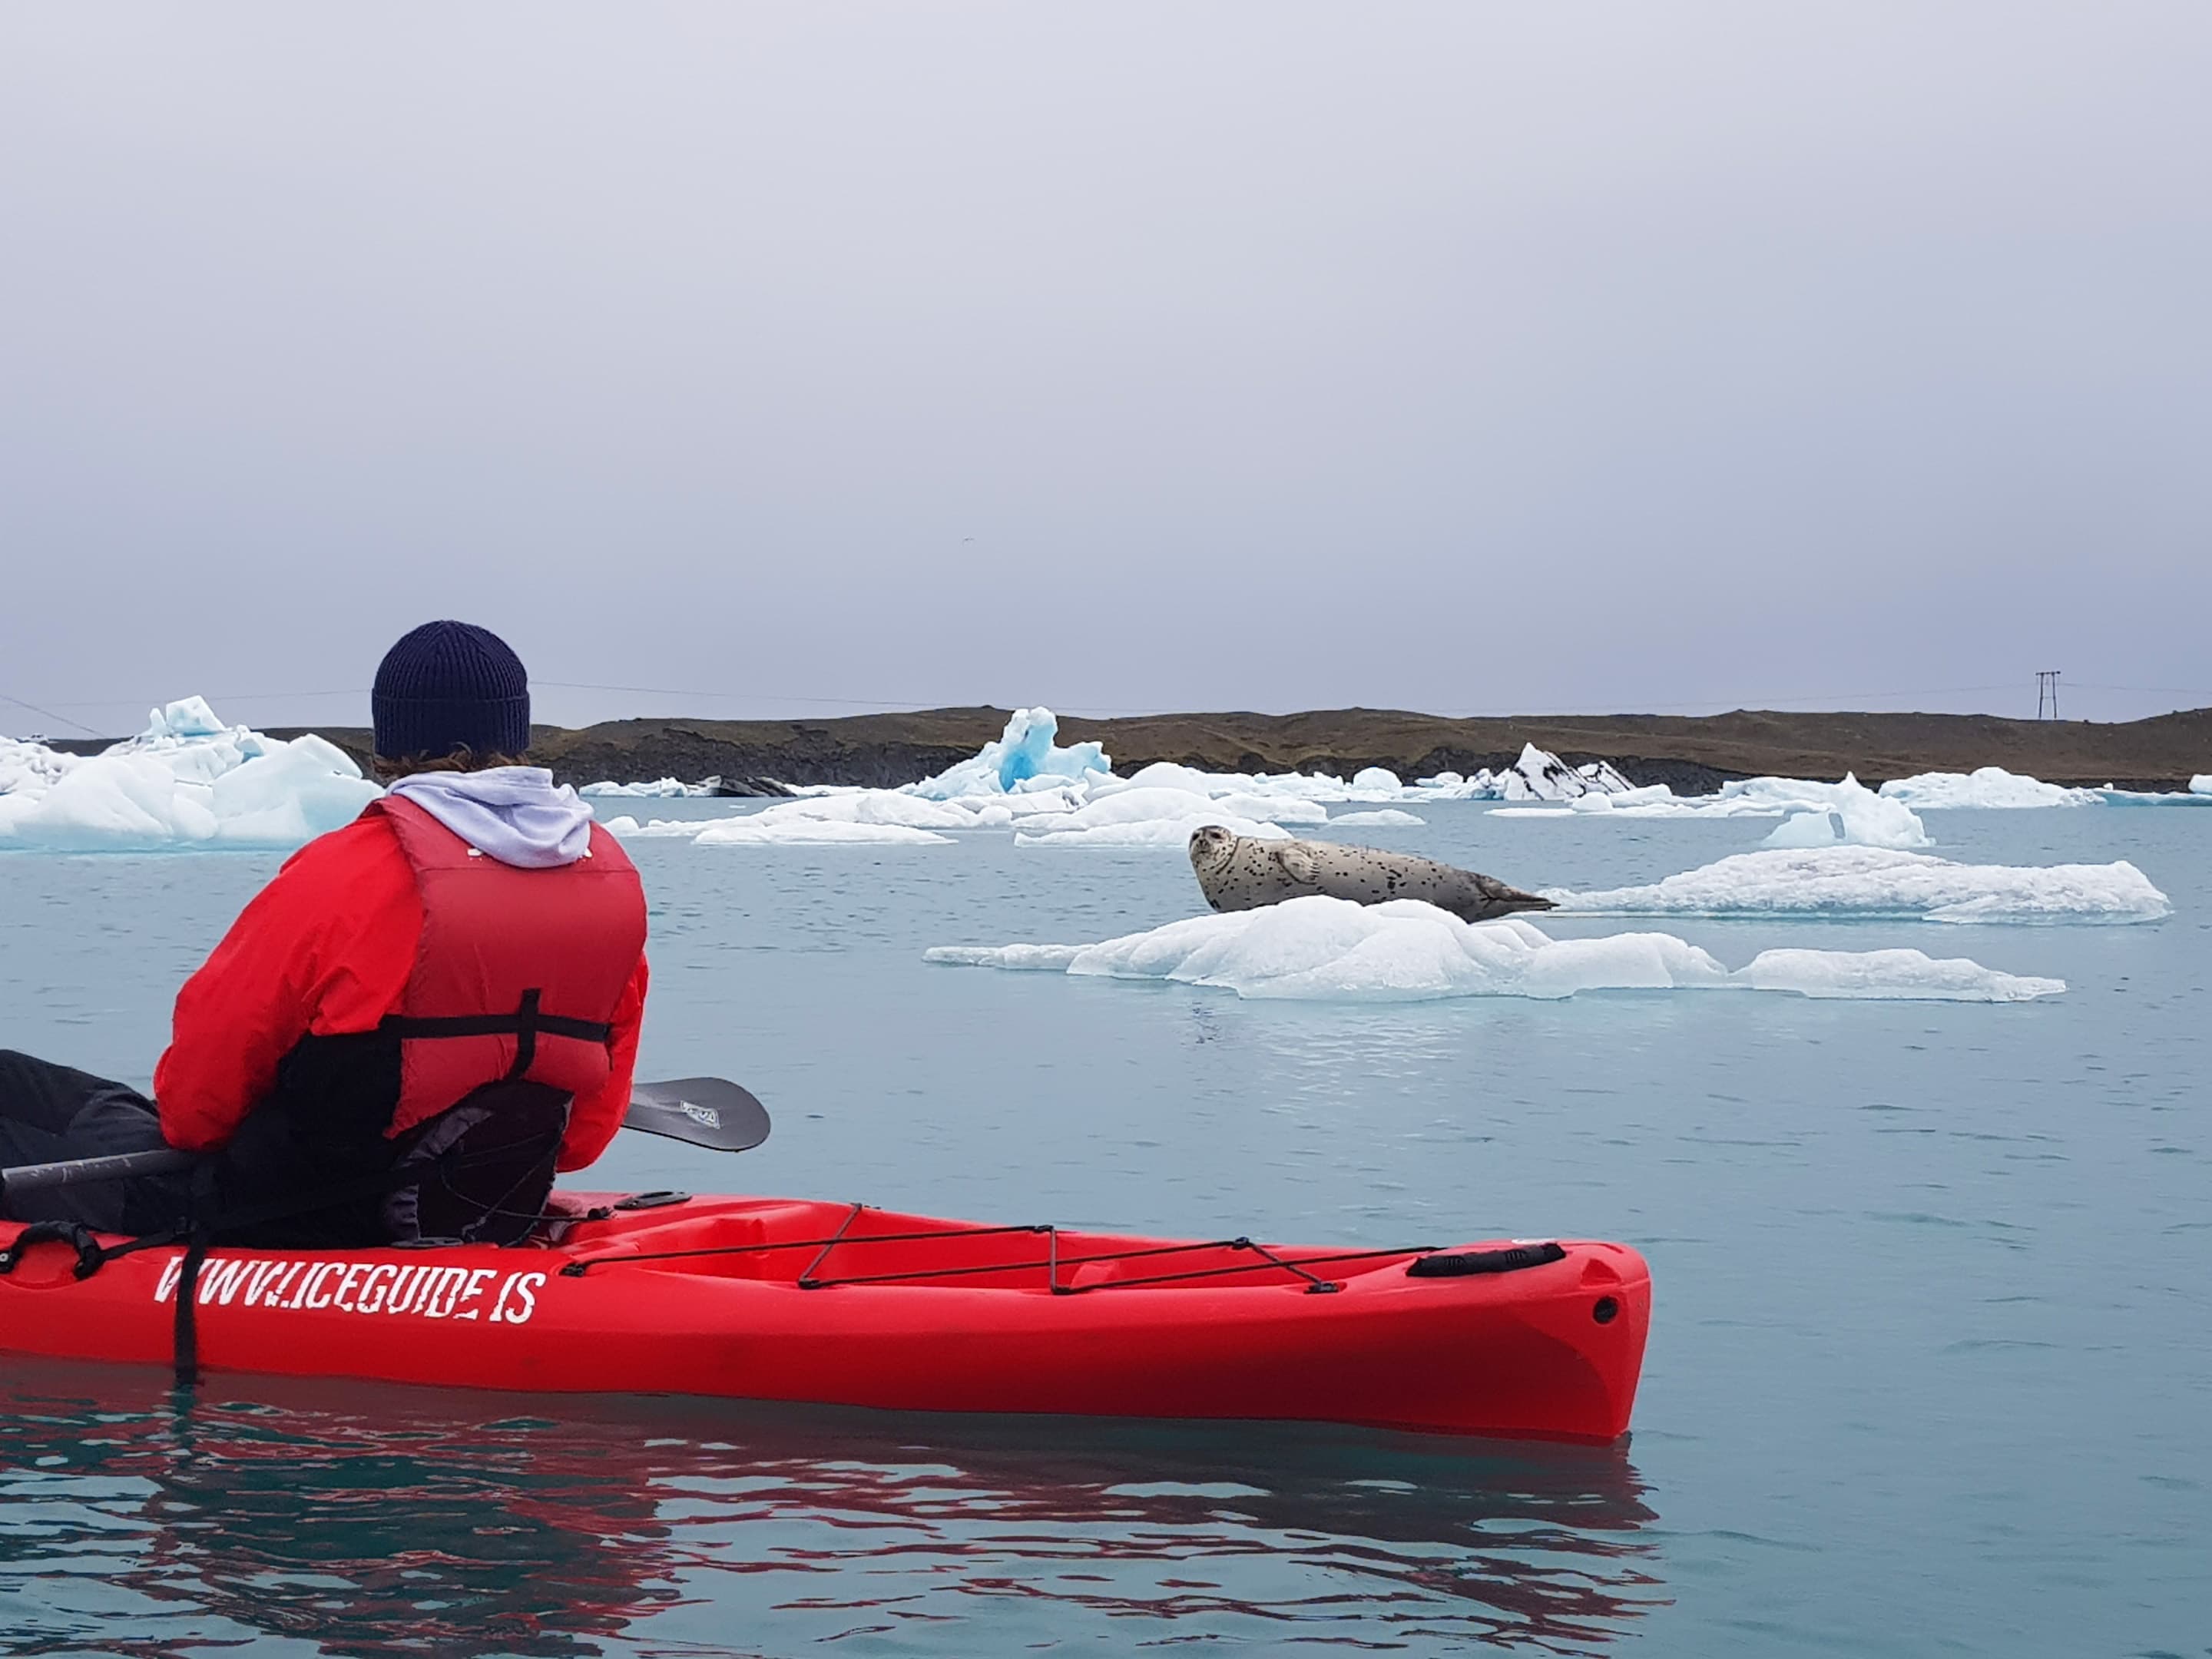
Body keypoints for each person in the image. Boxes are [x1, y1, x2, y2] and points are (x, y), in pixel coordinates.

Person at [0, 620, 649, 1247]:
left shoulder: (348, 870)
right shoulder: (610, 879)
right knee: (106, 1107)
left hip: (284, 1217)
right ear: (515, 727)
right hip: (488, 1204)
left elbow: (199, 1103)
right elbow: (584, 1139)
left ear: (391, 737)